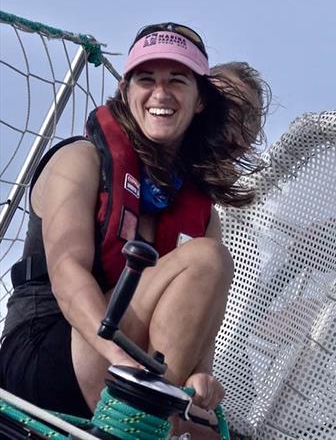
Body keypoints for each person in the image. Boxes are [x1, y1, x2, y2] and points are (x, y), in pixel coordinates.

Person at [0, 22, 264, 429]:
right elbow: (68, 272)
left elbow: (200, 324)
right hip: (45, 351)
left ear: (199, 102)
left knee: (207, 429)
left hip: (123, 370)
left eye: (177, 80)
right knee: (207, 258)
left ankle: (143, 419)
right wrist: (121, 361)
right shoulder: (80, 160)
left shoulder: (203, 212)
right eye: (146, 79)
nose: (161, 94)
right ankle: (137, 417)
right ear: (126, 91)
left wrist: (200, 379)